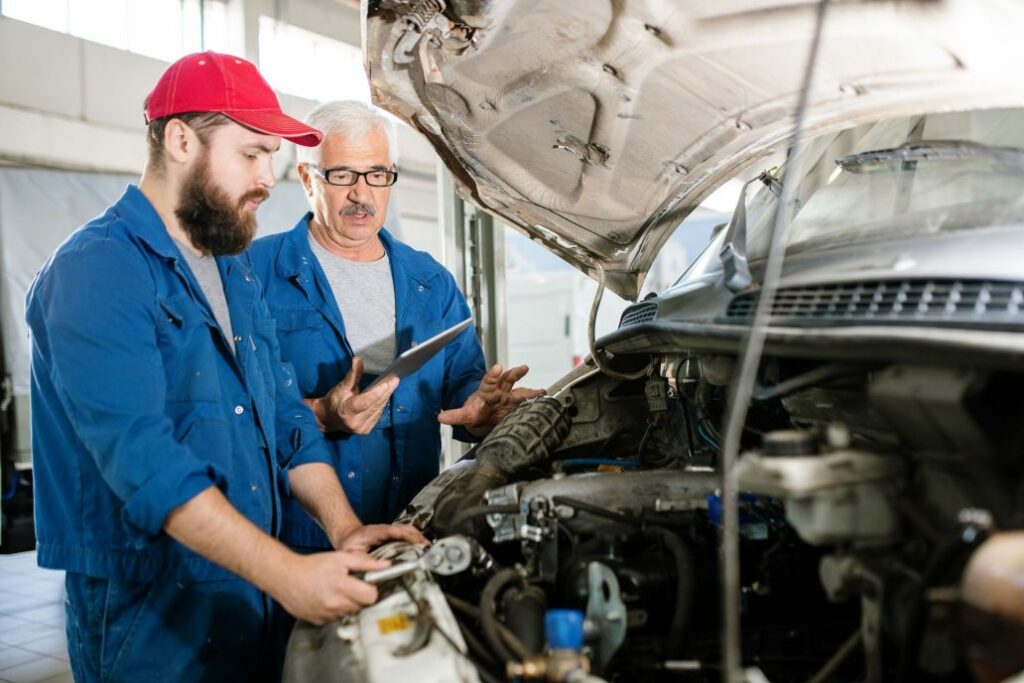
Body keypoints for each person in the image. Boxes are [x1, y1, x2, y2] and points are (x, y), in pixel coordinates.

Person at [25, 53, 423, 683]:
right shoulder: (97, 271)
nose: (269, 176)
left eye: (272, 156)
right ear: (181, 139)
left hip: (248, 592)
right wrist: (288, 573)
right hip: (151, 615)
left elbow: (286, 417)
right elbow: (144, 463)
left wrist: (343, 527)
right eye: (251, 154)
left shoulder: (231, 265)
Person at [248, 100, 543, 545]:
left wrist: (482, 412)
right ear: (308, 179)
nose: (362, 194)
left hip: (412, 532)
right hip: (297, 544)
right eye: (343, 175)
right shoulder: (253, 273)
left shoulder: (430, 282)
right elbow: (227, 412)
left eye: (377, 174)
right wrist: (323, 416)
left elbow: (462, 388)